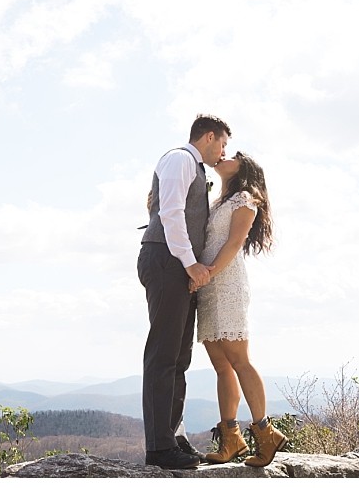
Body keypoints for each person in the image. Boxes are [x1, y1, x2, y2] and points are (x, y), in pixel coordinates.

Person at [137, 114, 231, 470]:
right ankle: (159, 448)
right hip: (166, 260)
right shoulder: (179, 158)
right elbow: (172, 213)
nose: (223, 152)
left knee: (179, 357)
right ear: (208, 137)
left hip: (175, 263)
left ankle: (173, 436)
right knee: (163, 354)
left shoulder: (196, 167)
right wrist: (191, 263)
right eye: (222, 144)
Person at [194, 151, 288, 467]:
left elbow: (234, 243)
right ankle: (232, 438)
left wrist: (208, 272)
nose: (223, 156)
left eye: (232, 154)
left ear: (243, 167)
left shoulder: (245, 198)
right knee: (221, 364)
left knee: (239, 360)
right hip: (207, 284)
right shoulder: (219, 201)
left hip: (226, 283)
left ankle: (266, 433)